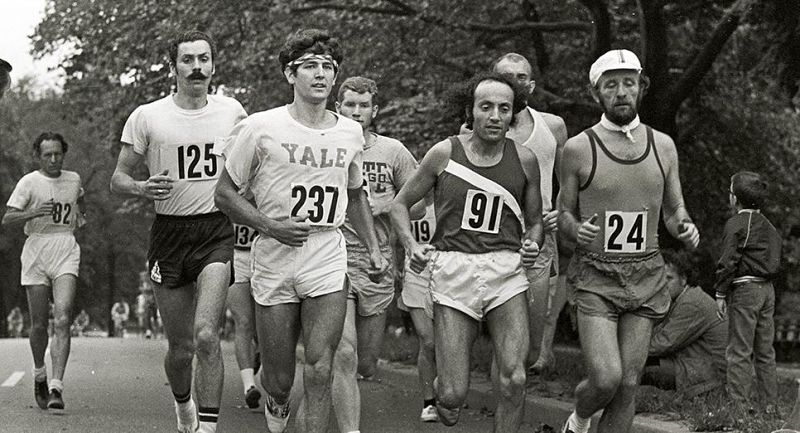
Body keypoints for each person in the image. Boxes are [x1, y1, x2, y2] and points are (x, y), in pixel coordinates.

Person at [214, 29, 388, 433]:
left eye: (328, 67)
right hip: (275, 254)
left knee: (321, 364)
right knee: (278, 378)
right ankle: (276, 400)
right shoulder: (260, 128)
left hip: (326, 251)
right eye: (309, 66)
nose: (320, 74)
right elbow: (223, 194)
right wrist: (270, 225)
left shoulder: (349, 132)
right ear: (290, 75)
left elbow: (356, 192)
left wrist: (374, 248)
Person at [390, 72, 544, 432]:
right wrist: (412, 246)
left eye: (504, 109)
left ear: (513, 114)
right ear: (470, 111)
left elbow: (535, 221)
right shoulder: (444, 153)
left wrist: (532, 242)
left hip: (506, 271)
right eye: (486, 107)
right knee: (453, 394)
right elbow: (400, 205)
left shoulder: (525, 160)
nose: (494, 116)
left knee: (514, 378)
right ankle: (443, 397)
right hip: (453, 269)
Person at [110, 30, 247, 433]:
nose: (196, 67)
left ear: (213, 65)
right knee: (182, 348)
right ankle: (183, 404)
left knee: (206, 335)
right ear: (173, 69)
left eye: (203, 59)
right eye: (187, 60)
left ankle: (207, 427)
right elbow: (118, 178)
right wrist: (140, 187)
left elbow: (250, 166)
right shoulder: (148, 116)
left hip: (215, 231)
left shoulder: (232, 112)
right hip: (169, 233)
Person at [557, 49, 700, 433]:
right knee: (605, 378)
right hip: (596, 276)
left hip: (645, 273)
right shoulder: (578, 148)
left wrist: (684, 226)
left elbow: (674, 210)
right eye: (611, 85)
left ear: (640, 88)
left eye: (628, 83)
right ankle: (579, 417)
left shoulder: (663, 146)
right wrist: (576, 230)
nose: (621, 92)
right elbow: (564, 215)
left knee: (628, 384)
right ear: (596, 93)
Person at [328, 76, 422, 432]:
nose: (356, 112)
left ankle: (317, 393)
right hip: (334, 258)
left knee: (365, 363)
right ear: (338, 108)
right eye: (349, 104)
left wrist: (385, 205)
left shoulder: (394, 152)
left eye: (363, 105)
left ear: (375, 110)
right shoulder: (327, 146)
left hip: (378, 262)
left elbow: (419, 205)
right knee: (345, 353)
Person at [491, 52, 568, 372]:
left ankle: (528, 362)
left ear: (531, 85)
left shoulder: (553, 126)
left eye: (521, 77)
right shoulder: (483, 127)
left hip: (540, 237)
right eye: (506, 76)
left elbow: (568, 180)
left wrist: (561, 210)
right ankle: (506, 390)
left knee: (534, 333)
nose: (514, 82)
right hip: (495, 237)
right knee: (503, 324)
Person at [2, 132, 86, 411]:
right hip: (37, 249)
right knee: (39, 324)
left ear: (64, 153)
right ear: (38, 156)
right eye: (47, 154)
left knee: (62, 317)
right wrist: (34, 213)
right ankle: (40, 373)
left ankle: (56, 387)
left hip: (65, 247)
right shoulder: (29, 182)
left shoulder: (73, 179)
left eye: (58, 154)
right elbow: (8, 218)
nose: (53, 159)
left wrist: (80, 216)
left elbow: (79, 201)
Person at [714, 171, 781, 412]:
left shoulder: (737, 224)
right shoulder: (770, 226)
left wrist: (720, 293)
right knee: (765, 351)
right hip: (768, 290)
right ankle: (770, 407)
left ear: (735, 199)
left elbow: (728, 261)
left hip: (745, 289)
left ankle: (739, 409)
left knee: (739, 350)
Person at [644, 253, 727, 397]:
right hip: (703, 368)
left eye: (669, 278)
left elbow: (662, 344)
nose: (662, 285)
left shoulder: (691, 303)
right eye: (659, 279)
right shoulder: (682, 298)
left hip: (712, 377)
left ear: (683, 280)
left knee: (643, 369)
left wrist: (625, 350)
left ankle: (618, 403)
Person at [397, 199, 439, 422]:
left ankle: (445, 387)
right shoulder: (409, 201)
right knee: (428, 340)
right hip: (415, 275)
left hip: (445, 275)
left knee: (444, 341)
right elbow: (397, 235)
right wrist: (396, 265)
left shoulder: (450, 196)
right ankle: (429, 402)